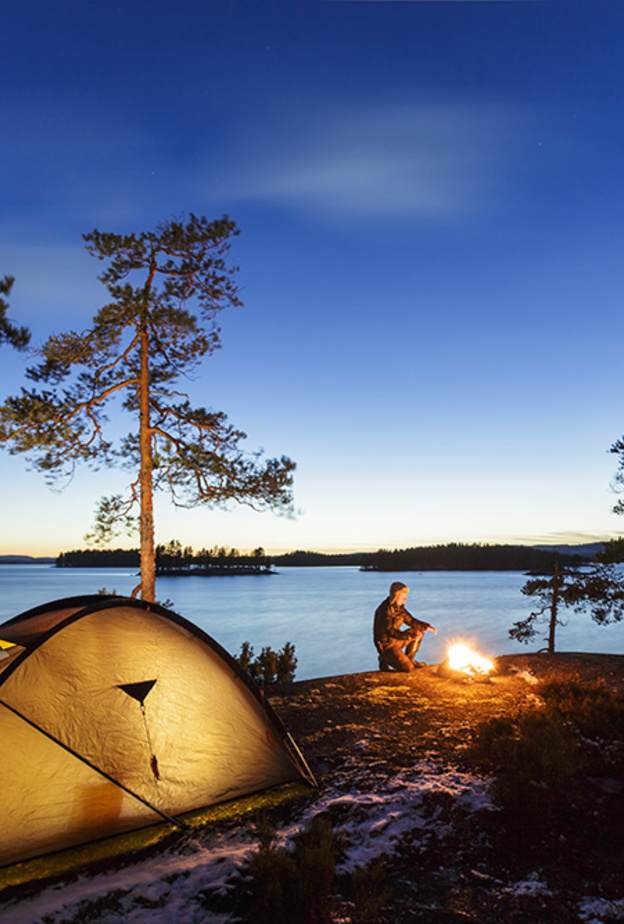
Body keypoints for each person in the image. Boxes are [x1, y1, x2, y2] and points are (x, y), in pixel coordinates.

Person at [373, 581, 436, 672]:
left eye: (405, 596)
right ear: (395, 595)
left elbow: (410, 620)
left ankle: (410, 659)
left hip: (396, 640)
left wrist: (426, 626)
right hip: (387, 645)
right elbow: (390, 631)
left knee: (418, 631)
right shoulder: (385, 611)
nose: (405, 599)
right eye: (403, 596)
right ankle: (384, 658)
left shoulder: (399, 608)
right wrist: (408, 636)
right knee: (408, 668)